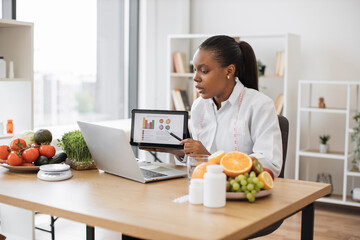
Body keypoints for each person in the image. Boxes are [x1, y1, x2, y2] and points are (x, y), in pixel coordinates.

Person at [145, 35, 282, 177]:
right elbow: (199, 163)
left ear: (229, 71)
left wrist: (209, 157)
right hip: (205, 186)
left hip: (240, 193)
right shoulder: (199, 106)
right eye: (194, 70)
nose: (195, 78)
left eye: (204, 71)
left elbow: (270, 164)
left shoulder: (259, 105)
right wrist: (182, 153)